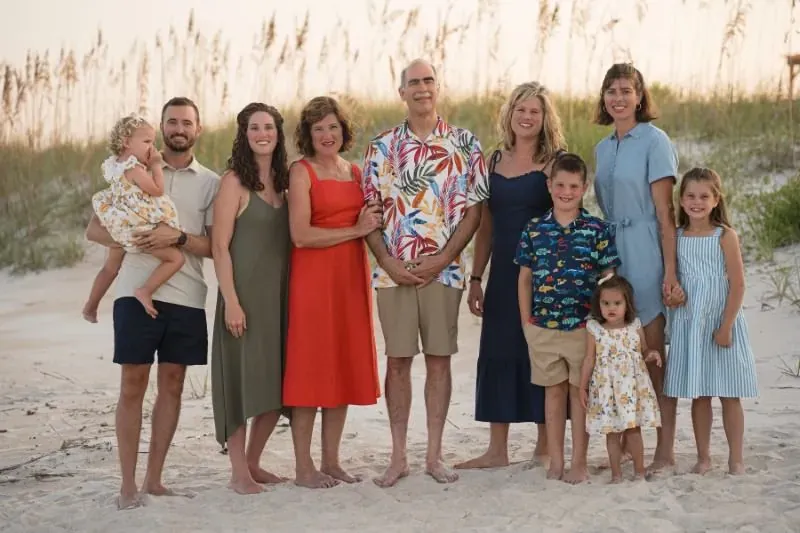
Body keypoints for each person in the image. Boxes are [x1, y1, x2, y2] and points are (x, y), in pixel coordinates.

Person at [84, 97, 220, 510]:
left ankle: (155, 479)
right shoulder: (132, 173)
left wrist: (175, 239)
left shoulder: (210, 183)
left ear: (198, 129)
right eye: (171, 122)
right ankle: (127, 484)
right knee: (132, 384)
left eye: (187, 122)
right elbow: (95, 229)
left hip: (188, 295)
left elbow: (214, 246)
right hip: (133, 291)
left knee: (173, 384)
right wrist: (137, 237)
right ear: (160, 128)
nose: (179, 128)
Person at [362, 58, 489, 487]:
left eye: (428, 80)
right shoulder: (380, 147)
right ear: (402, 92)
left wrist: (444, 258)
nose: (421, 88)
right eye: (413, 82)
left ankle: (435, 455)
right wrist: (388, 263)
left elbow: (474, 211)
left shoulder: (465, 144)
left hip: (445, 273)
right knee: (397, 362)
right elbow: (370, 216)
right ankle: (398, 457)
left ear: (439, 87)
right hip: (391, 274)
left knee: (439, 361)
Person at [456, 82, 566, 470]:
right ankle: (496, 449)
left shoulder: (557, 161)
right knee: (498, 351)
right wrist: (475, 278)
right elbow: (485, 226)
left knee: (541, 352)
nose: (526, 116)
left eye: (535, 111)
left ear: (544, 117)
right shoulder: (492, 159)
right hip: (502, 272)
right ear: (510, 113)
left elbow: (570, 216)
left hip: (544, 274)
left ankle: (544, 445)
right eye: (520, 109)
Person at [284, 96, 381, 489]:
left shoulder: (356, 172)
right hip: (312, 279)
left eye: (333, 127)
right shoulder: (300, 172)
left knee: (340, 364)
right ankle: (303, 466)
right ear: (308, 134)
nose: (327, 134)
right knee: (311, 369)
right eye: (318, 128)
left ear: (344, 131)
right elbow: (301, 235)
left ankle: (331, 460)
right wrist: (354, 231)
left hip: (350, 279)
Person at [592, 63, 684, 471]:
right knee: (621, 354)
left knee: (651, 354)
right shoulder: (602, 147)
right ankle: (630, 445)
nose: (618, 97)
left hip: (647, 248)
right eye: (611, 90)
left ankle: (664, 449)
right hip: (614, 255)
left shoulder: (655, 140)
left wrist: (670, 272)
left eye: (626, 90)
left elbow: (666, 215)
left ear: (640, 96)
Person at [515, 152, 620, 484]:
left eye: (573, 186)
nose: (566, 192)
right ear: (549, 185)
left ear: (584, 187)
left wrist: (602, 324)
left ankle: (579, 463)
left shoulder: (597, 230)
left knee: (580, 393)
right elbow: (525, 278)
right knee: (553, 393)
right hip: (543, 327)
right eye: (560, 185)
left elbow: (609, 277)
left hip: (582, 328)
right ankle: (556, 461)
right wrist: (525, 322)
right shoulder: (535, 229)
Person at [210, 102, 291, 495]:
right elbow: (220, 247)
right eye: (254, 127)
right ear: (244, 134)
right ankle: (238, 470)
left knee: (276, 388)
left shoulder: (286, 182)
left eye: (269, 127)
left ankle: (255, 461)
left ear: (278, 133)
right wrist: (232, 301)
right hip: (242, 297)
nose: (262, 133)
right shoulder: (233, 183)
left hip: (278, 298)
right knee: (240, 385)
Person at [663, 167, 758, 475]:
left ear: (716, 200)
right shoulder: (676, 237)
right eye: (690, 195)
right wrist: (672, 298)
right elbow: (672, 285)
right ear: (681, 199)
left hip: (722, 320)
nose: (696, 202)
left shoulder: (725, 236)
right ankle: (703, 457)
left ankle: (736, 459)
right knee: (700, 393)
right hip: (690, 323)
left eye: (704, 196)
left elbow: (738, 283)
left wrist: (727, 325)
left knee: (730, 393)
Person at [82, 114, 184, 322]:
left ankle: (90, 306)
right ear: (127, 142)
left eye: (153, 142)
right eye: (147, 142)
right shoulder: (134, 169)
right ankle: (145, 290)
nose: (152, 148)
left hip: (119, 224)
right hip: (137, 228)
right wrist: (156, 165)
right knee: (176, 258)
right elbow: (157, 190)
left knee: (110, 268)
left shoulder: (114, 166)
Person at [579, 274, 662, 483]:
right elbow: (589, 358)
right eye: (605, 303)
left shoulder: (634, 325)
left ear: (627, 304)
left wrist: (651, 354)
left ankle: (639, 471)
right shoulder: (594, 329)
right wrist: (582, 386)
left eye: (617, 303)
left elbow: (643, 350)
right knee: (612, 433)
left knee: (633, 430)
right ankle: (616, 474)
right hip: (607, 389)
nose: (611, 308)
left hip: (631, 389)